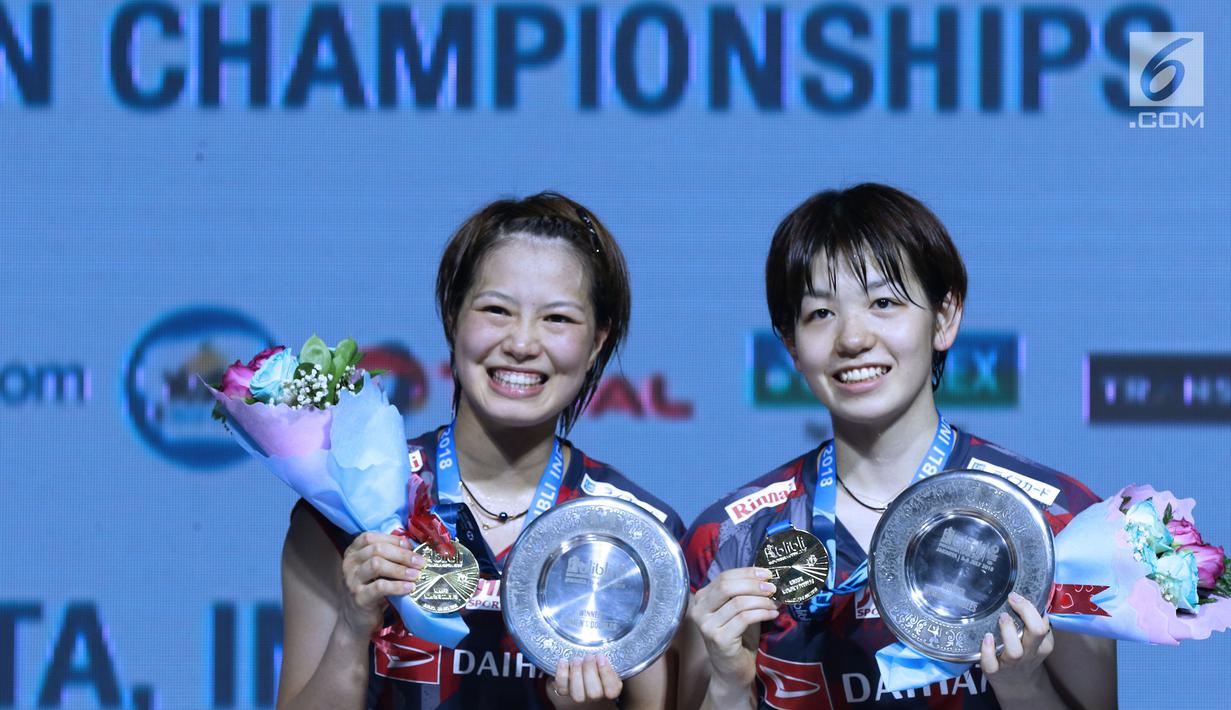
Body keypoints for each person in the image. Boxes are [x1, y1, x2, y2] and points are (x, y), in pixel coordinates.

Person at [678, 184, 1117, 709]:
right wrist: (729, 685)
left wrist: (1023, 684)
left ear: (945, 316)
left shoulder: (1058, 525)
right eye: (820, 313)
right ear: (791, 345)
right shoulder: (728, 539)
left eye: (884, 303)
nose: (853, 339)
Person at [276, 192, 685, 709]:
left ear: (597, 342)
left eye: (557, 319)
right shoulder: (345, 509)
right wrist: (353, 630)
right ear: (453, 317)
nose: (521, 342)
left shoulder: (636, 539)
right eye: (496, 310)